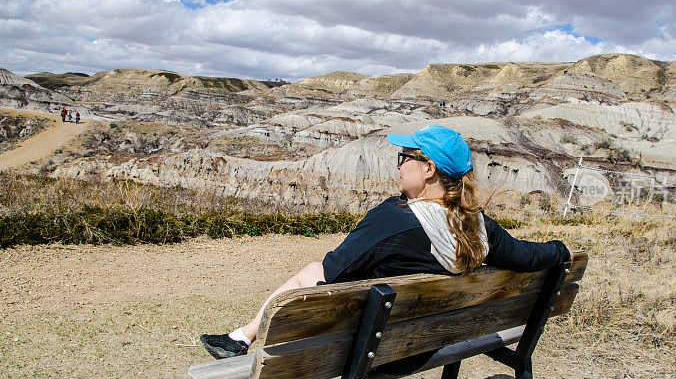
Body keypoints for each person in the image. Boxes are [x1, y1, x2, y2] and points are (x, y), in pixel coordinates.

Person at [200, 125, 573, 360]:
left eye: (404, 158)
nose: (398, 165)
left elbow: (336, 270)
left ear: (428, 170)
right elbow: (527, 255)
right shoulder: (477, 228)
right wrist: (564, 251)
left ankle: (241, 337)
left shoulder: (393, 219)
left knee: (313, 273)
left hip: (370, 351)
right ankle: (240, 337)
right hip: (429, 341)